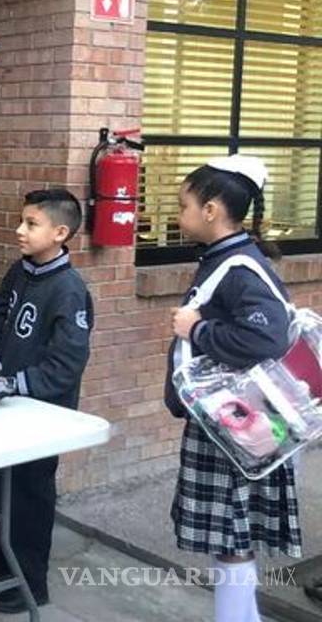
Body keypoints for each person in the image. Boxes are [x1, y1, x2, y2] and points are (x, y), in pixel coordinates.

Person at [163, 156, 301, 622]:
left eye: (184, 205)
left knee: (231, 539)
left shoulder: (238, 266)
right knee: (231, 539)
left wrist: (197, 329)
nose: (177, 216)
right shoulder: (229, 259)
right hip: (234, 422)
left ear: (211, 209)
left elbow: (265, 335)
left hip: (233, 427)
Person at [0, 187, 93, 614]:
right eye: (22, 220)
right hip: (3, 402)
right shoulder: (20, 271)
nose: (20, 230)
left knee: (30, 495)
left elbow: (67, 363)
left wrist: (16, 384)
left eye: (31, 224)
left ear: (60, 232)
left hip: (41, 414)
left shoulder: (69, 289)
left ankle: (32, 583)